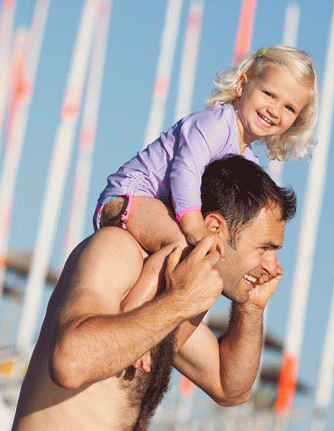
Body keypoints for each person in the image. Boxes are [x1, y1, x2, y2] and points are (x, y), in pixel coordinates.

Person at [11, 155, 296, 431]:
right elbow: (70, 362)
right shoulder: (119, 249)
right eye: (265, 248)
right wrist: (177, 304)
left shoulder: (172, 297)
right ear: (214, 228)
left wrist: (251, 309)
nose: (273, 266)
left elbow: (230, 388)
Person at [94, 45, 317, 321]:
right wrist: (195, 227)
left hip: (157, 210)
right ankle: (133, 320)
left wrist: (255, 258)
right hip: (130, 195)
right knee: (183, 244)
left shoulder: (248, 162)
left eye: (289, 107)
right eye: (269, 94)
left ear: (296, 121)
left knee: (201, 263)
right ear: (243, 85)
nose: (274, 110)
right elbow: (185, 171)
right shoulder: (215, 124)